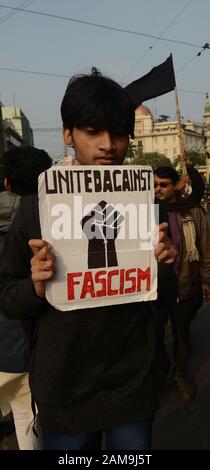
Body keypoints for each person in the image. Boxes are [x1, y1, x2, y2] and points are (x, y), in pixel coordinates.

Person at [0, 69, 176, 451]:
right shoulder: (35, 210)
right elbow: (7, 296)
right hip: (64, 391)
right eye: (92, 132)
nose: (108, 145)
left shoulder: (149, 205)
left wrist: (164, 266)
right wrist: (35, 285)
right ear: (68, 134)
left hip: (132, 386)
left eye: (118, 133)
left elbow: (164, 296)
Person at [0, 145, 52, 449]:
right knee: (27, 420)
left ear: (7, 184)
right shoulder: (57, 223)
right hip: (28, 351)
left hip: (12, 349)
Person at [154, 166, 210, 400]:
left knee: (181, 334)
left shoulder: (193, 212)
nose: (158, 189)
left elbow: (205, 247)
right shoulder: (147, 212)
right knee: (154, 337)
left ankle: (180, 374)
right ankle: (162, 370)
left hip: (186, 284)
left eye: (163, 184)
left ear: (176, 185)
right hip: (156, 288)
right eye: (155, 184)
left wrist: (206, 278)